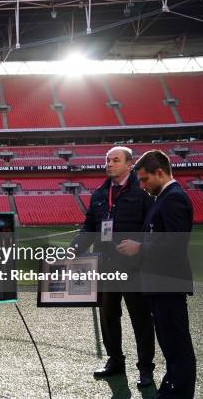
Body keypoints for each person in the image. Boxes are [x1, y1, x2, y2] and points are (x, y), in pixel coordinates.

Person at [71, 146, 155, 387]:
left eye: (115, 160)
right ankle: (115, 360)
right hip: (105, 267)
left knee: (140, 318)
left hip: (134, 268)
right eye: (107, 160)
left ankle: (146, 368)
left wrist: (140, 244)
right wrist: (72, 250)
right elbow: (88, 228)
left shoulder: (143, 193)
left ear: (130, 165)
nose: (109, 164)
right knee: (108, 316)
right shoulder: (99, 194)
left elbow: (155, 228)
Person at [117, 150, 196, 399]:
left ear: (159, 173)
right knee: (170, 345)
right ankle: (171, 387)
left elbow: (175, 244)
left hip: (168, 284)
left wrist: (140, 247)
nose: (141, 186)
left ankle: (180, 393)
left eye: (144, 180)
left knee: (177, 345)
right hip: (159, 284)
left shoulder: (173, 198)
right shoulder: (164, 197)